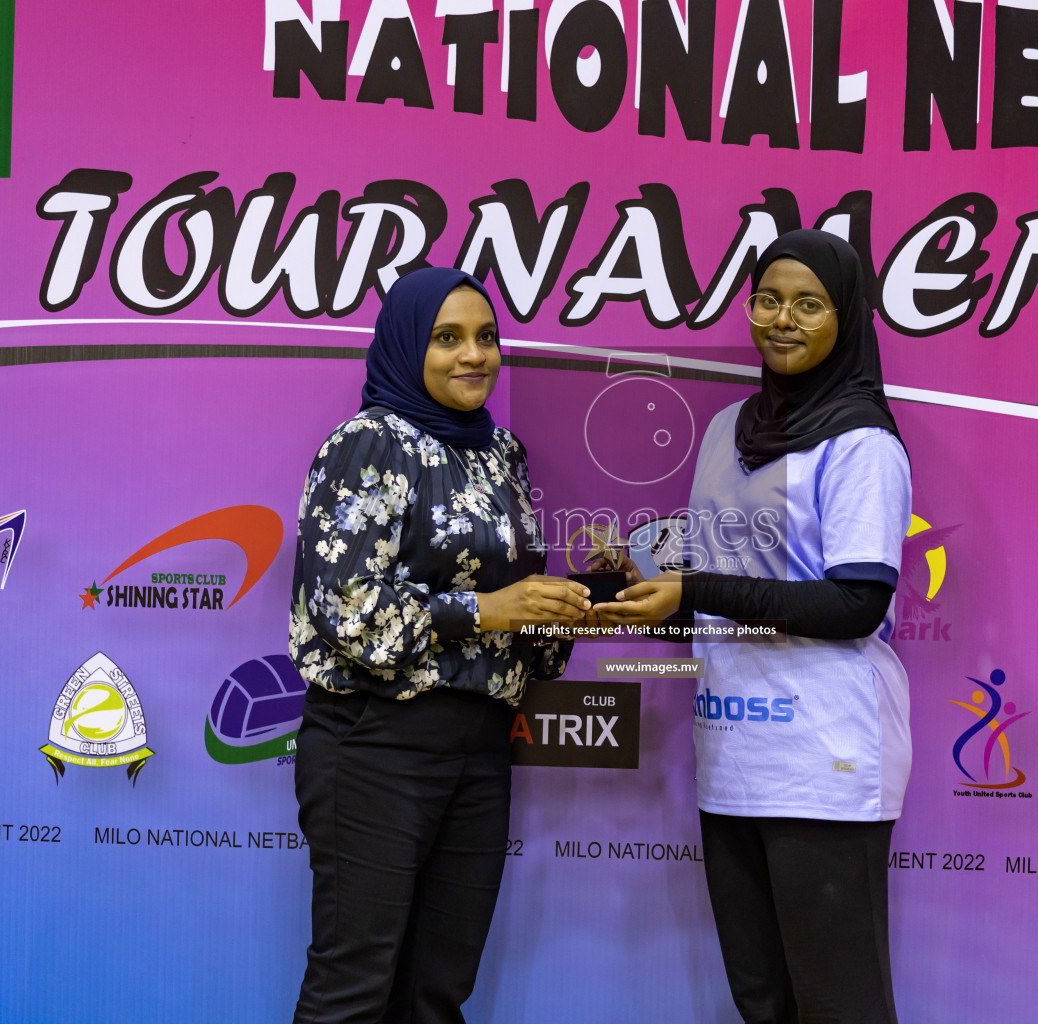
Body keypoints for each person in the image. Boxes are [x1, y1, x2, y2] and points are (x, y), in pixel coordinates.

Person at [596, 230, 912, 1024]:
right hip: (732, 756)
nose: (782, 319)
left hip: (824, 761)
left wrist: (694, 586)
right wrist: (633, 587)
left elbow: (855, 605)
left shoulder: (862, 443)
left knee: (840, 1006)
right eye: (769, 299)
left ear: (847, 318)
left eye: (809, 304)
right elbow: (717, 601)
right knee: (762, 1002)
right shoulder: (725, 428)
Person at [288, 267, 591, 1024]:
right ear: (403, 347)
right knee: (353, 990)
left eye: (486, 337)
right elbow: (349, 610)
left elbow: (516, 621)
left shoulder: (502, 454)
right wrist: (485, 609)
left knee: (438, 992)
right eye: (447, 338)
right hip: (376, 740)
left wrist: (588, 598)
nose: (475, 355)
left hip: (480, 746)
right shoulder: (368, 445)